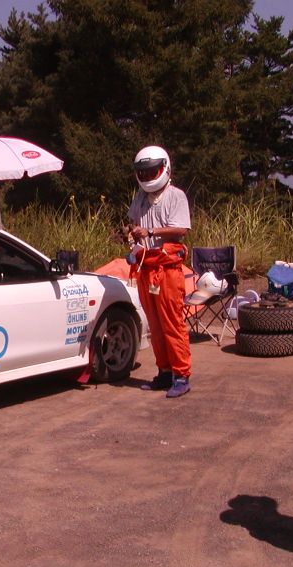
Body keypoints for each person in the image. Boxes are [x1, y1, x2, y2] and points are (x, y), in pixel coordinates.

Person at [123, 145, 192, 398]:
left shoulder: (176, 196)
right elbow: (133, 222)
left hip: (167, 269)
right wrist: (131, 234)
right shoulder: (140, 197)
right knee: (154, 324)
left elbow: (181, 229)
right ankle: (164, 371)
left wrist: (151, 231)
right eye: (143, 172)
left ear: (164, 168)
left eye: (152, 171)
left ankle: (181, 374)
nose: (148, 176)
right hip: (146, 267)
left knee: (172, 323)